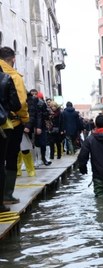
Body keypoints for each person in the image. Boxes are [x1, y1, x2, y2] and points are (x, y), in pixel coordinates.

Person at [0, 47, 29, 205]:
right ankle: (7, 195)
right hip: (11, 123)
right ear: (13, 59)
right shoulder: (14, 77)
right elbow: (21, 103)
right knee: (10, 158)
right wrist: (25, 118)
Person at [0, 66, 22, 212]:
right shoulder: (6, 77)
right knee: (1, 163)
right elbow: (16, 104)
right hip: (2, 123)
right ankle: (2, 201)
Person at [34, 91, 51, 166]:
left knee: (42, 143)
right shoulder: (32, 103)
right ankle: (40, 159)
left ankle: (42, 159)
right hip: (35, 125)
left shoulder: (41, 104)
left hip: (40, 126)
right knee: (37, 144)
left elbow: (44, 115)